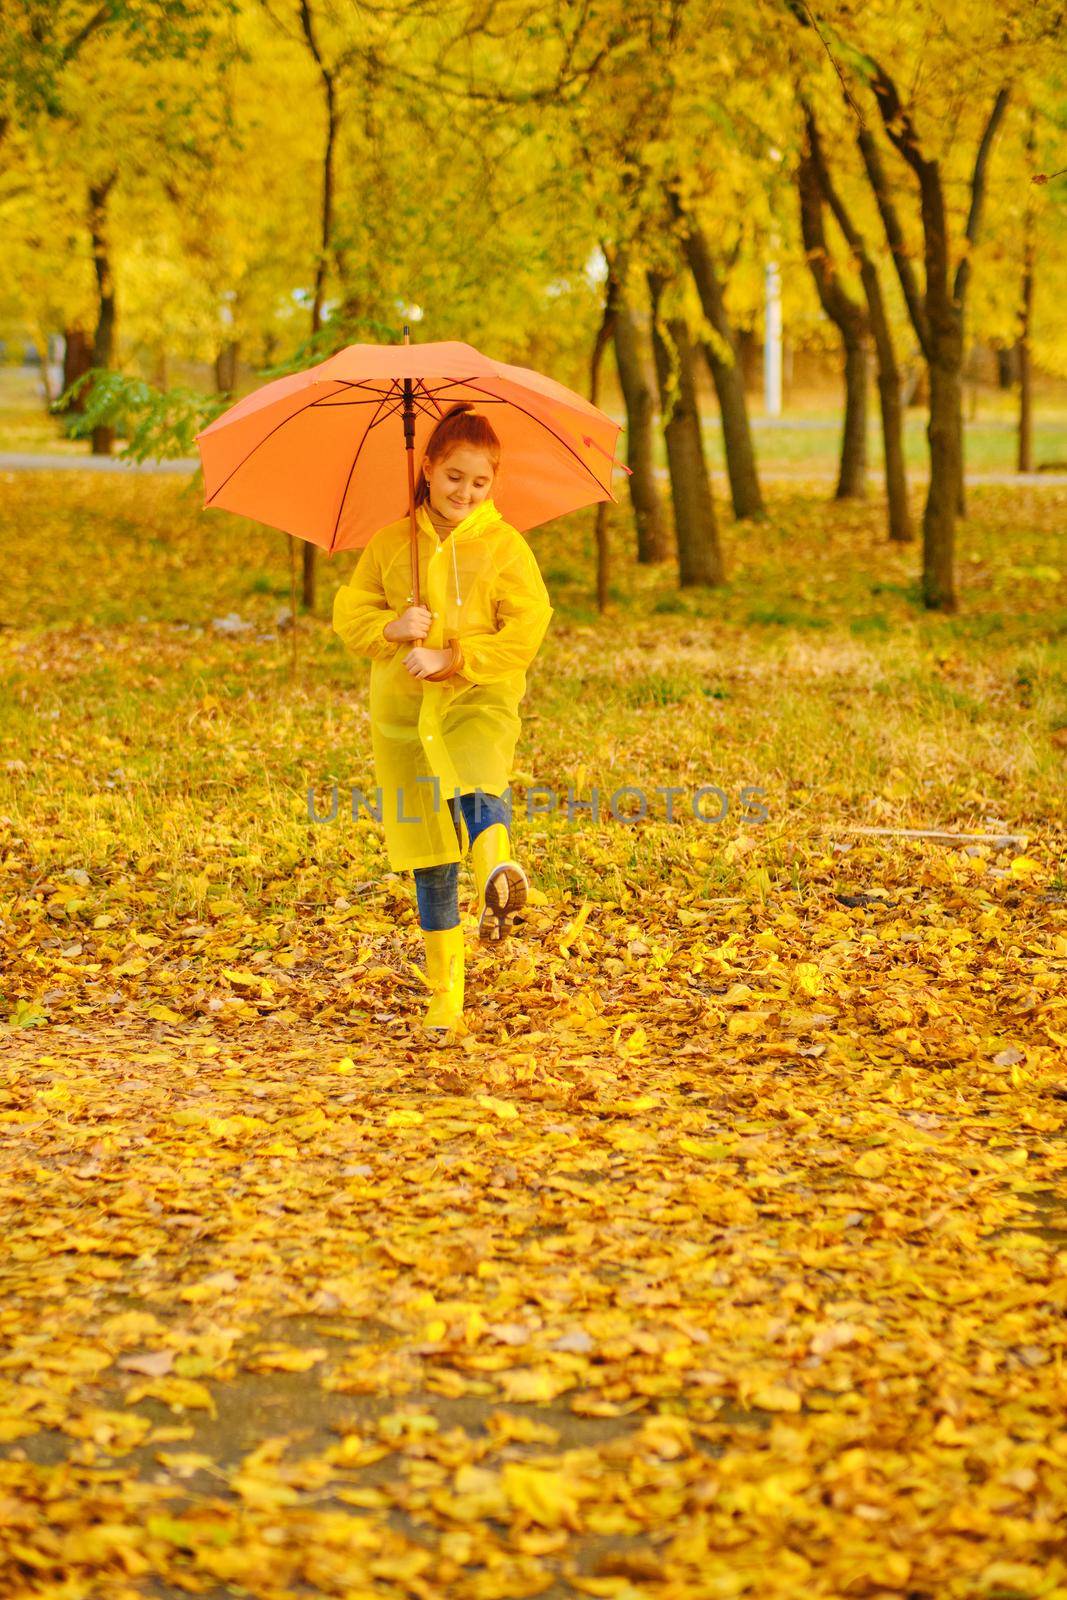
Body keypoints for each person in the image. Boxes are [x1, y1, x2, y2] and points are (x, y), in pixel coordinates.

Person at [332, 403, 554, 1037]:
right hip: (404, 716)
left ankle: (495, 873)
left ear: (494, 484)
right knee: (429, 850)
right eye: (454, 476)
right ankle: (445, 996)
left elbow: (527, 627)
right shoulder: (388, 543)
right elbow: (351, 612)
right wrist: (391, 628)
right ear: (427, 468)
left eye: (480, 482)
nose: (465, 491)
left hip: (476, 699)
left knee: (479, 780)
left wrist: (456, 655)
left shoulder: (505, 548)